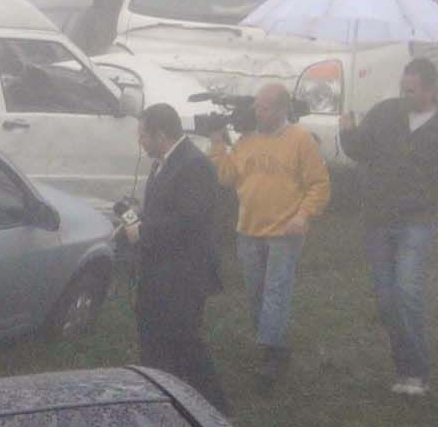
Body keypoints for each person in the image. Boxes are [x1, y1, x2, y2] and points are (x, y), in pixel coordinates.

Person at [342, 55, 438, 397]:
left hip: (417, 220)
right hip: (378, 218)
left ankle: (417, 373)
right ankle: (402, 367)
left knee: (407, 291)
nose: (404, 95)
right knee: (386, 299)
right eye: (402, 88)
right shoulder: (384, 113)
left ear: (430, 90)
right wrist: (347, 129)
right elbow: (358, 150)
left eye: (411, 90)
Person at [211, 80, 329, 388]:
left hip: (284, 232)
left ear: (281, 109)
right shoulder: (246, 140)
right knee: (256, 293)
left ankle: (271, 356)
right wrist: (217, 143)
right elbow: (225, 178)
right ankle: (274, 345)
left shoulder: (301, 140)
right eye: (256, 106)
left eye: (263, 107)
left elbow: (319, 184)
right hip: (248, 230)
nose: (257, 112)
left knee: (275, 291)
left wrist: (303, 215)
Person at [122, 101, 228, 406]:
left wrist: (144, 231)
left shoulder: (194, 165)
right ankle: (161, 397)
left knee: (184, 340)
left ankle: (215, 405)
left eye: (143, 135)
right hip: (159, 269)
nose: (140, 142)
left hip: (184, 274)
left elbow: (190, 219)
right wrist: (139, 215)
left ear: (161, 134)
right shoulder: (164, 162)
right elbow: (167, 208)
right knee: (153, 336)